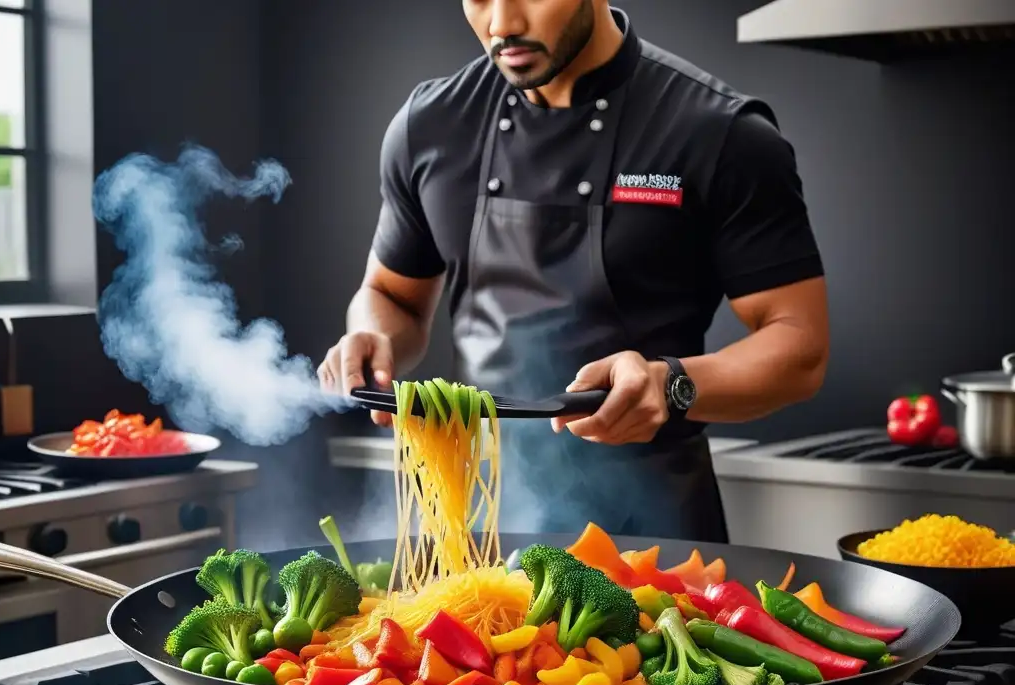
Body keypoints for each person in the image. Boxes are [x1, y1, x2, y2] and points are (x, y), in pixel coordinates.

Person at [319, 0, 829, 542]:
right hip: (473, 524)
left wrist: (672, 383)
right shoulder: (430, 124)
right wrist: (372, 335)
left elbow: (799, 346)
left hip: (652, 534)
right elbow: (391, 295)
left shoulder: (720, 132)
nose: (502, 24)